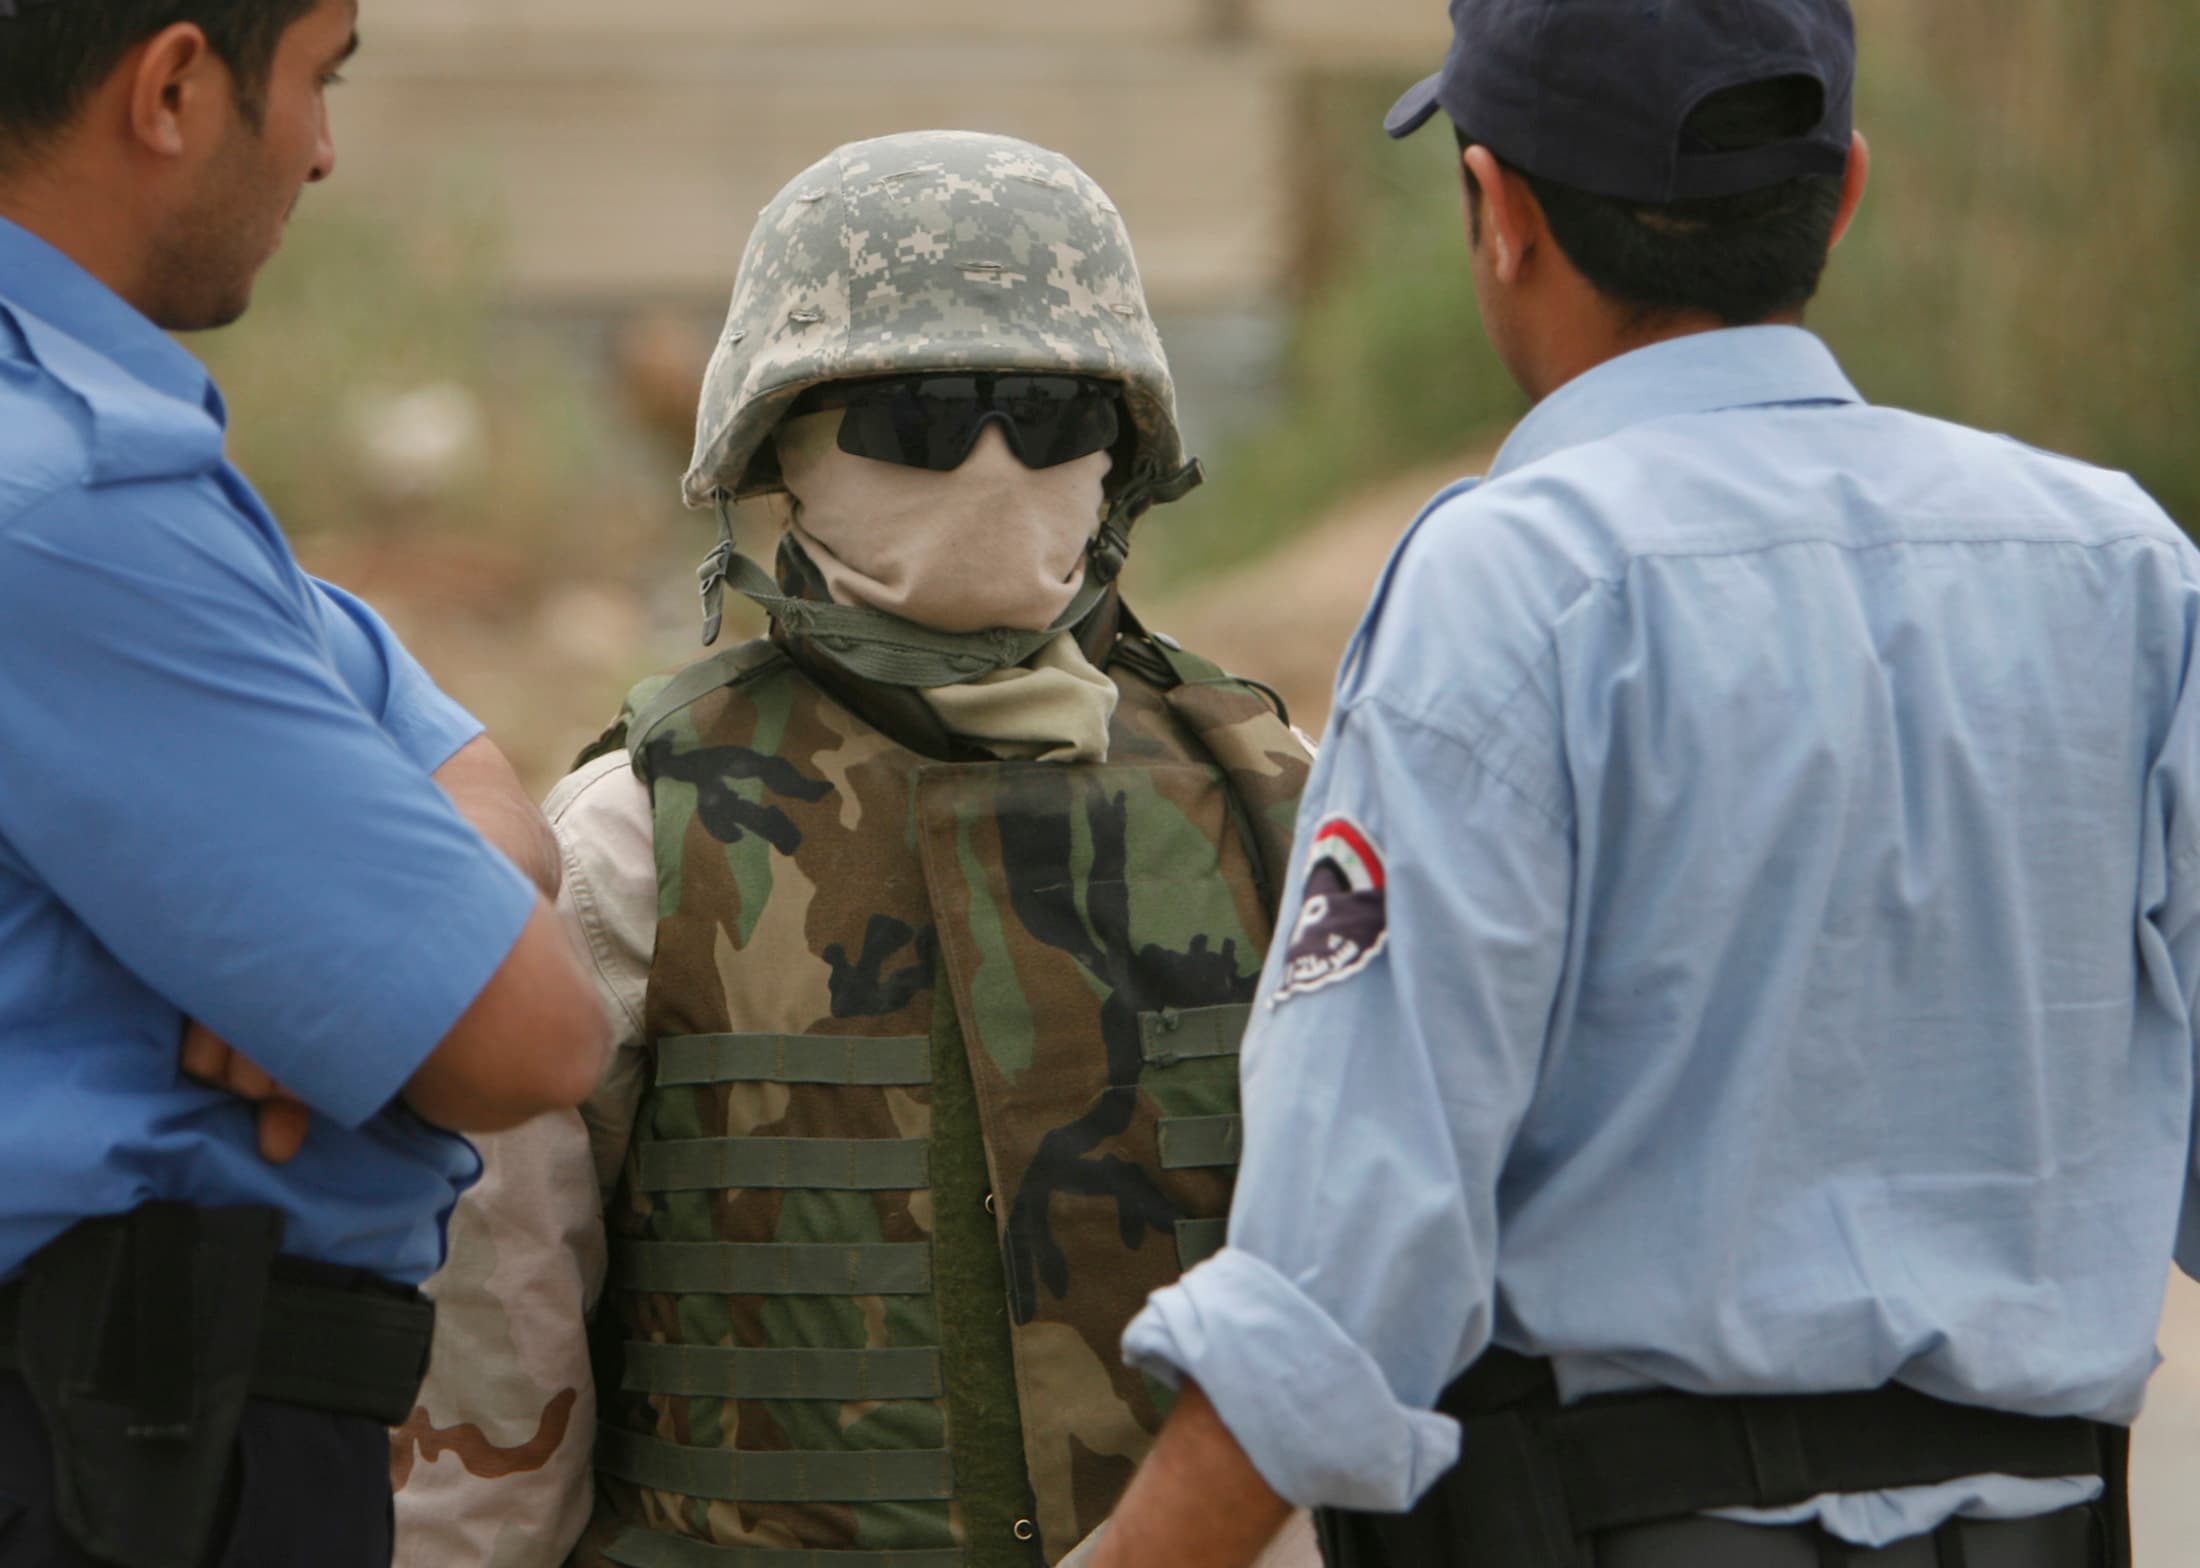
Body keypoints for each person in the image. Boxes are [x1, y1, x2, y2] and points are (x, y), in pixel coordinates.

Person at [1086, 1, 2198, 1566]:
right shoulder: (2126, 572)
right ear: (1847, 193)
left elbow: (1345, 1277)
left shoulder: (1516, 587)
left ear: (1502, 215)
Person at [389, 130, 1323, 1568]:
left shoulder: (1267, 796)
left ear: (1124, 452)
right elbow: (495, 1379)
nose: (995, 460)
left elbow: (1372, 1292)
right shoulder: (638, 835)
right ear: (789, 448)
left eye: (1052, 410)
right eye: (925, 419)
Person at [0, 2, 608, 1564]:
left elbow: (469, 768)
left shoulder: (107, 474)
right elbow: (526, 1033)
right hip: (113, 1447)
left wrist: (328, 957)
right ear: (177, 86)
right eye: (315, 80)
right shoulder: (61, 504)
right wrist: (393, 944)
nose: (324, 150)